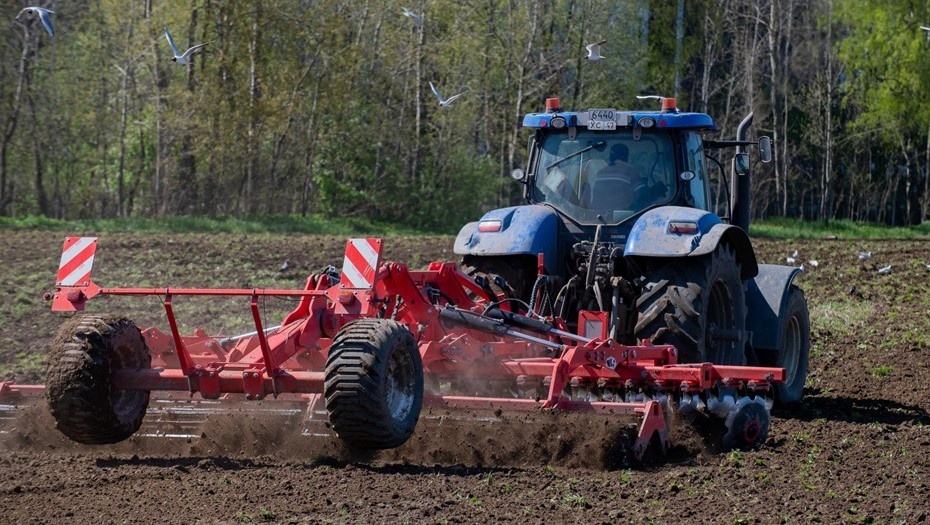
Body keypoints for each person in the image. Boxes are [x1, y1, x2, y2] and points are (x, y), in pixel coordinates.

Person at [588, 143, 646, 209]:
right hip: (624, 214)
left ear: (610, 157)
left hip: (596, 213)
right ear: (626, 156)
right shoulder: (630, 172)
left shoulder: (600, 173)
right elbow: (641, 198)